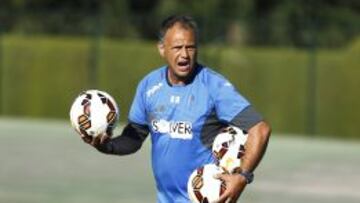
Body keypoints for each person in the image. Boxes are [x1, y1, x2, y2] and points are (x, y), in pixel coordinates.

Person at [79, 15, 271, 203]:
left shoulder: (214, 86)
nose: (185, 55)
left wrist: (243, 176)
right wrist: (105, 145)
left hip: (205, 198)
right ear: (162, 49)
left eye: (191, 47)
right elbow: (134, 138)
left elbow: (260, 129)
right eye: (178, 47)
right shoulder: (149, 86)